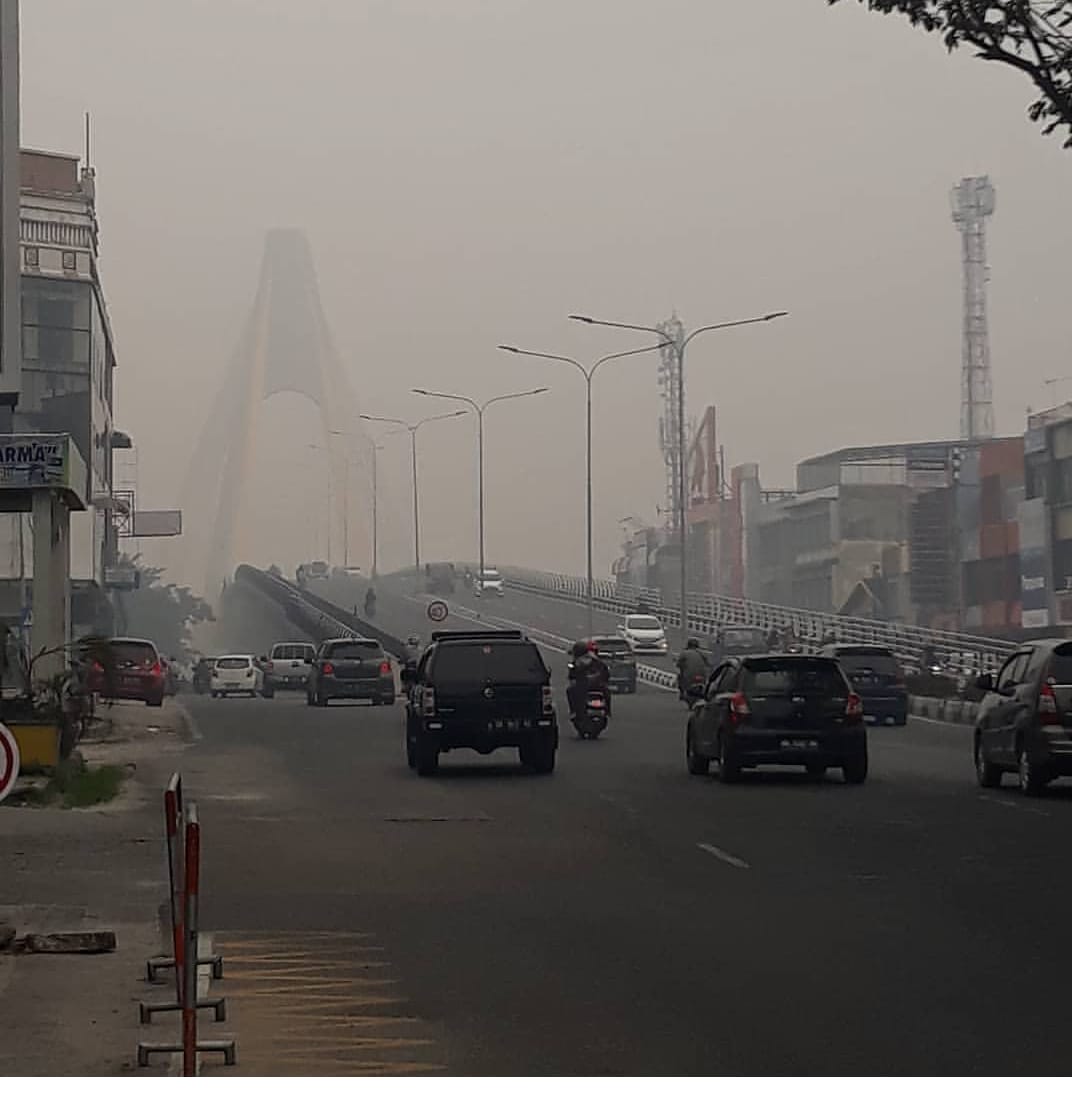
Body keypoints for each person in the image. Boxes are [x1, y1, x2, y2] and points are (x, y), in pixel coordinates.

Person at [567, 639, 611, 722]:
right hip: (596, 686)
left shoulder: (578, 662)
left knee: (570, 691)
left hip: (587, 685)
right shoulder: (595, 660)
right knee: (607, 692)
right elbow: (606, 673)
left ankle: (573, 711)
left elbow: (572, 676)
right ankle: (608, 711)